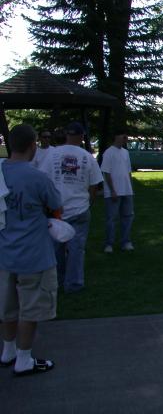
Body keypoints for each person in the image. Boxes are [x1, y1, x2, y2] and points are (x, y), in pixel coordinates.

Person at [0, 124, 62, 376]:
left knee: (6, 307)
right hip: (34, 254)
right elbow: (56, 205)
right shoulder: (37, 177)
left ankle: (7, 351)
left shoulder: (0, 172)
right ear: (32, 145)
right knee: (31, 308)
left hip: (4, 253)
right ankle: (24, 359)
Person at [43, 122, 103, 293]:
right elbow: (94, 185)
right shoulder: (87, 157)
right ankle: (74, 283)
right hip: (80, 208)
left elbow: (43, 181)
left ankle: (58, 281)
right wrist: (89, 202)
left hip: (56, 210)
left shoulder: (52, 154)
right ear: (82, 137)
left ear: (66, 135)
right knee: (77, 249)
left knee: (56, 249)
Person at [100, 130, 134, 253]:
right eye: (123, 135)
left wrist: (130, 188)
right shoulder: (108, 153)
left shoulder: (126, 152)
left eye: (126, 136)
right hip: (113, 192)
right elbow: (106, 173)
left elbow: (128, 171)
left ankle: (126, 242)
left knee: (127, 217)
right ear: (116, 137)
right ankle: (109, 244)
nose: (125, 138)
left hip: (126, 191)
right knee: (111, 219)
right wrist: (112, 190)